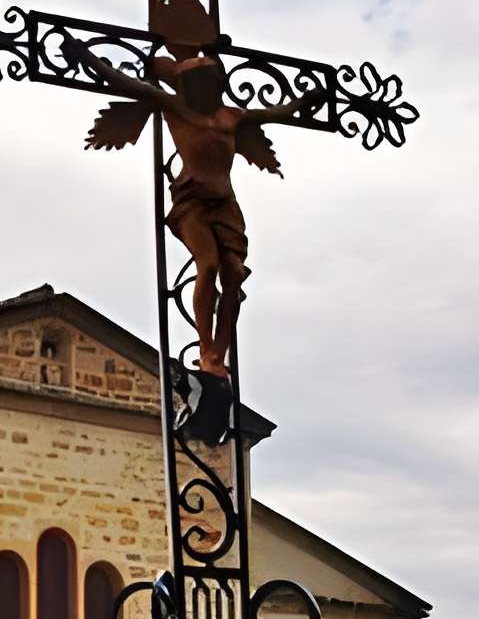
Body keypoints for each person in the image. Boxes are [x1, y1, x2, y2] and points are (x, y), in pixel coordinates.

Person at [82, 45, 322, 379]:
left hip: (225, 204)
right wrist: (88, 59)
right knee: (207, 264)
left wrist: (303, 103)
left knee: (234, 276)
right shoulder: (175, 108)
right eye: (196, 81)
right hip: (191, 201)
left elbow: (275, 113)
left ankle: (217, 353)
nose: (203, 87)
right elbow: (129, 84)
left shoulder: (231, 116)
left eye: (208, 79)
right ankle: (205, 345)